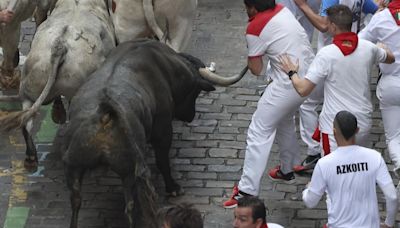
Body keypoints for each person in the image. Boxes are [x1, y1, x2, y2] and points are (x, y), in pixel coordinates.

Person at [223, 0, 315, 208]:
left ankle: (246, 191)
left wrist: (252, 50)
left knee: (258, 131)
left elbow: (256, 69)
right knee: (283, 120)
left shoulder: (254, 27)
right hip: (308, 77)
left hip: (288, 84)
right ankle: (288, 167)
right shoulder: (282, 10)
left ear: (253, 8)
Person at [279, 4, 395, 155]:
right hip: (362, 123)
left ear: (333, 26)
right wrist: (383, 48)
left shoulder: (326, 54)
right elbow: (390, 58)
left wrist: (291, 72)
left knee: (333, 172)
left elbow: (303, 89)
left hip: (335, 128)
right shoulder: (369, 48)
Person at [302, 111, 398, 228]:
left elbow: (310, 202)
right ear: (357, 130)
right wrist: (389, 223)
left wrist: (307, 189)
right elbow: (392, 196)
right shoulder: (374, 157)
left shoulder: (324, 164)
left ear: (334, 131)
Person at [358, 0, 400, 179]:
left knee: (394, 138)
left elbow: (359, 42)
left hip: (391, 83)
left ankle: (399, 163)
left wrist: (378, 52)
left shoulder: (382, 18)